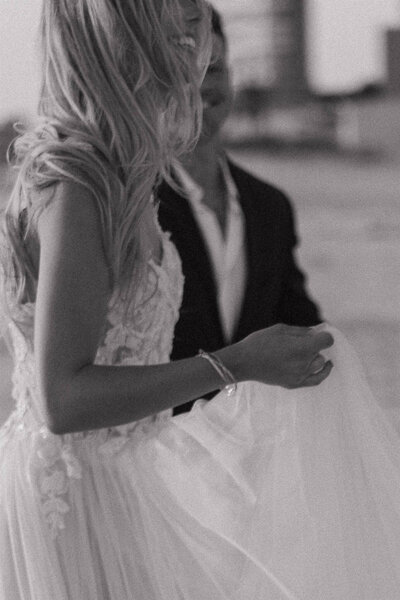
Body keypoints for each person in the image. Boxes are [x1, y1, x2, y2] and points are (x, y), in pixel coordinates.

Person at [1, 1, 399, 599]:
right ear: (127, 45)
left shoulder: (124, 174)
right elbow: (62, 398)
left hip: (134, 486)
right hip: (76, 508)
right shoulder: (77, 181)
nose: (199, 60)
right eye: (181, 39)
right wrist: (234, 364)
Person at [158, 8, 322, 414]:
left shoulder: (270, 205)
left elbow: (300, 322)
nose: (200, 87)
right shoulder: (134, 204)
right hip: (156, 452)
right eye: (182, 72)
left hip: (249, 453)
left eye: (213, 68)